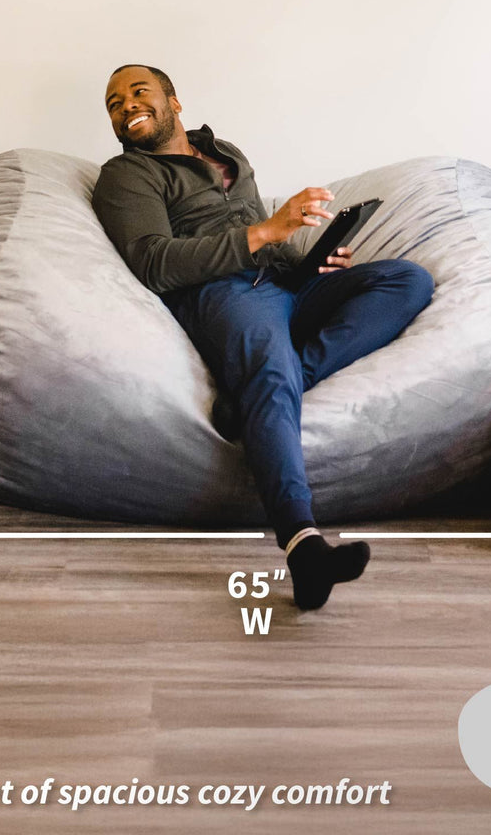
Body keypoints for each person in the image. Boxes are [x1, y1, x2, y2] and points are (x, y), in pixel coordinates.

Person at [92, 64, 434, 610]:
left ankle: (263, 391)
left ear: (174, 103)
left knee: (406, 279)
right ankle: (304, 548)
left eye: (139, 92)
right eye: (113, 102)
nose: (126, 105)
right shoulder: (126, 176)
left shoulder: (225, 151)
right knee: (268, 370)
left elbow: (266, 237)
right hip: (226, 295)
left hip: (284, 283)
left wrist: (313, 262)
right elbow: (154, 263)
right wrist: (269, 230)